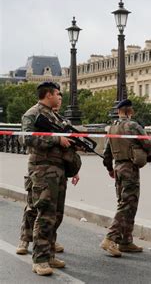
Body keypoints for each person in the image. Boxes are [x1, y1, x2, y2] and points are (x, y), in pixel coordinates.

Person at [21, 82, 75, 275]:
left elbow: (66, 140)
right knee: (44, 215)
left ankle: (49, 253)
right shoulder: (33, 114)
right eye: (58, 94)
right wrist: (55, 139)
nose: (60, 97)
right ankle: (40, 259)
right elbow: (26, 138)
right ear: (49, 94)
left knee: (56, 215)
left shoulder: (55, 115)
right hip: (42, 171)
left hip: (58, 170)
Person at [100, 99, 151, 257]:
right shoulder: (133, 126)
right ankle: (111, 238)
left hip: (118, 168)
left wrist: (110, 168)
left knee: (126, 203)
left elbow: (107, 153)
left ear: (119, 111)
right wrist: (148, 155)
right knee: (127, 205)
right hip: (130, 168)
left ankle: (125, 240)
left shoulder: (112, 127)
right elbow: (148, 144)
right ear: (130, 112)